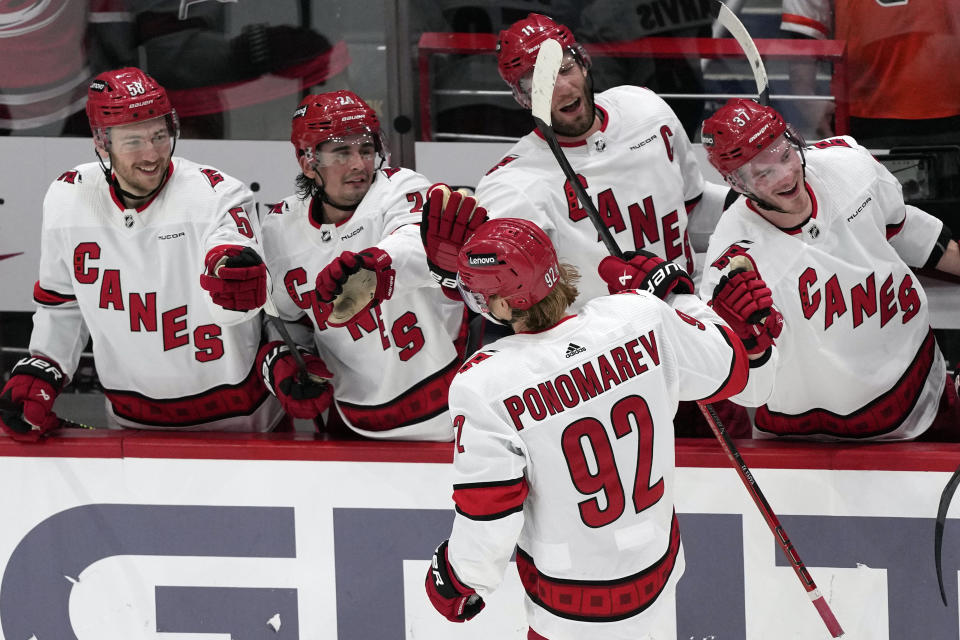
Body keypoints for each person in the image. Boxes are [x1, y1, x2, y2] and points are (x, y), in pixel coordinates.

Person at [424, 217, 753, 639]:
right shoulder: (639, 314)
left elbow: (491, 509)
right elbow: (732, 368)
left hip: (571, 600)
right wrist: (678, 296)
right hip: (657, 570)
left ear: (505, 305)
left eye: (482, 297)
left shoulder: (485, 383)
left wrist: (461, 578)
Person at [473, 13, 749, 438]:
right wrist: (455, 276)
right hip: (609, 373)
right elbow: (499, 302)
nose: (560, 87)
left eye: (564, 67)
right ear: (521, 98)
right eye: (536, 82)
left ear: (583, 62)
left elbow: (694, 208)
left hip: (694, 335)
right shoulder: (513, 185)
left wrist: (756, 200)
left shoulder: (646, 109)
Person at [0, 67, 285, 440]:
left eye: (159, 135)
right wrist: (43, 366)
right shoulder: (68, 197)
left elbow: (234, 253)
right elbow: (62, 303)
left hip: (240, 420)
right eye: (133, 140)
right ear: (102, 144)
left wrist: (230, 270)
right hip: (131, 421)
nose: (151, 153)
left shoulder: (217, 193)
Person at [699, 98, 960, 441]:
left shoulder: (849, 166)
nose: (786, 174)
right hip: (814, 440)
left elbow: (903, 226)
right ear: (737, 184)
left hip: (924, 389)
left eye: (784, 155)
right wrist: (751, 347)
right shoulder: (732, 266)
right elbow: (742, 390)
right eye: (763, 173)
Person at [257, 90, 474, 441]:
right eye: (342, 152)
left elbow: (412, 242)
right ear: (308, 162)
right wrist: (287, 358)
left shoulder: (401, 188)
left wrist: (375, 269)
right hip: (352, 419)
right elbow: (285, 317)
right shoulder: (280, 228)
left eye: (366, 149)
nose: (359, 164)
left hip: (447, 406)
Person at [780, 0, 960, 147]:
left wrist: (807, 99)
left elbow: (802, 31)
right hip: (862, 113)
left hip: (947, 108)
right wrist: (807, 101)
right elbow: (803, 31)